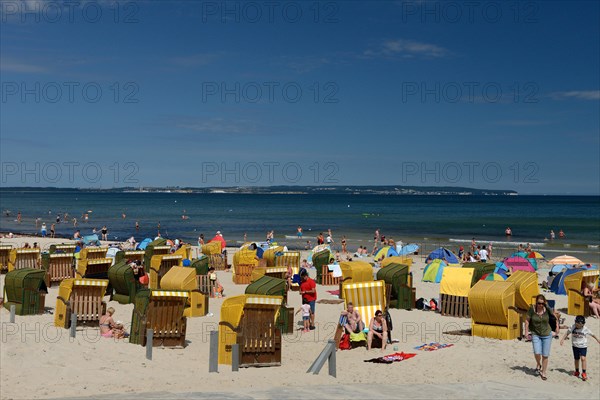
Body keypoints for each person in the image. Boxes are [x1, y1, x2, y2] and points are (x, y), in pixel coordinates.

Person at [560, 315, 600, 382]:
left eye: (581, 324)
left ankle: (584, 373)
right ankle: (577, 371)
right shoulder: (572, 327)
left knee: (583, 358)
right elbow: (567, 333)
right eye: (578, 324)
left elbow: (592, 334)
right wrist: (562, 339)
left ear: (583, 324)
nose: (579, 326)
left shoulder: (585, 329)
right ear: (575, 322)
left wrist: (597, 339)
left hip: (583, 346)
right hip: (575, 346)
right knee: (576, 359)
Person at [524, 294, 553, 380]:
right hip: (535, 333)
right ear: (536, 302)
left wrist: (547, 305)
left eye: (542, 303)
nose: (540, 305)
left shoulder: (547, 309)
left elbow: (554, 316)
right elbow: (527, 320)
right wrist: (526, 332)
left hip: (547, 334)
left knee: (545, 355)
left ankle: (543, 372)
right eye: (539, 303)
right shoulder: (532, 309)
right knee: (537, 352)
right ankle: (538, 363)